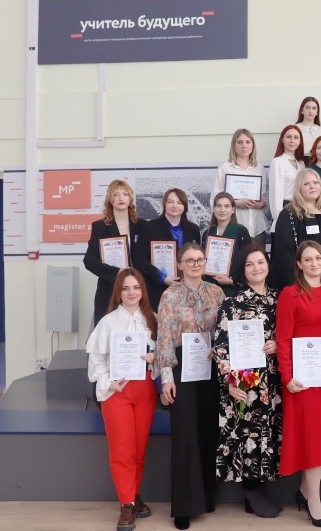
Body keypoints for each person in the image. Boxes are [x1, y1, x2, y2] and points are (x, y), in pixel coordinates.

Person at [155, 242, 225, 530]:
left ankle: (206, 498)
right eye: (190, 260)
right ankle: (184, 506)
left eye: (200, 259)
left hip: (210, 365)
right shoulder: (170, 295)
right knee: (185, 433)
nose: (196, 264)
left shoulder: (216, 292)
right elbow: (164, 338)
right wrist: (166, 378)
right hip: (182, 365)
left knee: (208, 431)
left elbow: (225, 329)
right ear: (179, 264)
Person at [212, 245, 283, 518]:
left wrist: (278, 344)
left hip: (272, 381)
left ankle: (258, 493)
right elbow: (221, 347)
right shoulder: (232, 303)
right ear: (242, 269)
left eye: (261, 262)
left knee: (267, 434)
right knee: (246, 434)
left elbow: (289, 334)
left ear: (268, 265)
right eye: (250, 264)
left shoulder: (279, 299)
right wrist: (229, 382)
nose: (256, 268)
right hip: (245, 382)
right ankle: (250, 490)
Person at [86, 269, 158, 531]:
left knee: (138, 449)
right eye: (126, 288)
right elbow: (96, 360)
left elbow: (165, 355)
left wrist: (155, 357)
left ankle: (133, 493)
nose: (131, 292)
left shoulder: (153, 319)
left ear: (142, 290)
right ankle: (126, 504)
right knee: (122, 449)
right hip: (118, 391)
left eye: (136, 287)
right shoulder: (107, 322)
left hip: (145, 390)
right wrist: (108, 383)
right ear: (118, 291)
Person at [276, 241, 321, 528]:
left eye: (319, 258)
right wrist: (287, 376)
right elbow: (282, 338)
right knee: (315, 439)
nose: (315, 263)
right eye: (308, 259)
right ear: (299, 264)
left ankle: (305, 491)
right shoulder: (290, 294)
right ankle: (314, 501)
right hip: (302, 378)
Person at [269, 168, 321, 291]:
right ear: (299, 188)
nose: (312, 186)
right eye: (306, 184)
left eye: (315, 182)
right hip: (301, 284)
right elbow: (285, 254)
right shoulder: (289, 214)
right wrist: (296, 285)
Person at [84, 180, 142, 326]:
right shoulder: (100, 227)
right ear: (110, 199)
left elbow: (147, 259)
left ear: (130, 198)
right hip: (109, 288)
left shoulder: (142, 226)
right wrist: (117, 272)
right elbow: (89, 261)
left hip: (136, 289)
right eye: (116, 194)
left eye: (125, 194)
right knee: (107, 332)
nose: (121, 198)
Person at [133, 188, 201, 311]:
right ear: (164, 204)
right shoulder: (149, 227)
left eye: (179, 203)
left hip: (188, 289)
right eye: (170, 202)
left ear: (184, 206)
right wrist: (162, 278)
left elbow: (198, 258)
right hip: (158, 289)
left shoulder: (193, 229)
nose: (175, 206)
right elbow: (139, 259)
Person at [212, 129, 269, 246]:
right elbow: (215, 198)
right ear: (234, 145)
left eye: (248, 142)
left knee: (258, 257)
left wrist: (259, 204)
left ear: (253, 145)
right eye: (240, 142)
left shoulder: (260, 169)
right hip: (233, 228)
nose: (244, 146)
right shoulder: (225, 168)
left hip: (257, 228)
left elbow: (267, 198)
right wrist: (236, 203)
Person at [201, 191, 253, 297]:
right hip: (209, 287)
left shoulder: (241, 231)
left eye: (227, 206)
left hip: (233, 288)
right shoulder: (207, 233)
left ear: (233, 209)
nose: (222, 210)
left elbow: (249, 261)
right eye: (218, 206)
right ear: (213, 209)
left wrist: (232, 280)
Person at [269, 125, 306, 228]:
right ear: (282, 139)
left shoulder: (301, 164)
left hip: (300, 209)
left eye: (296, 137)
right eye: (288, 137)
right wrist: (279, 218)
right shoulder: (277, 162)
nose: (292, 140)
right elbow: (275, 193)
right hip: (285, 209)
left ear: (300, 141)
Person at [295, 96, 321, 162]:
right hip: (299, 162)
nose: (310, 111)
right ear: (302, 110)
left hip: (318, 163)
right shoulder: (295, 129)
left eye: (314, 108)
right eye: (307, 108)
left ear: (317, 112)